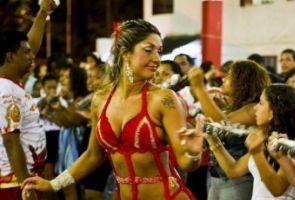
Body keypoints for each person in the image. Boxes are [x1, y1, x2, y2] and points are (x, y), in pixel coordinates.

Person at [22, 19, 203, 200]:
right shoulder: (100, 101)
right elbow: (93, 155)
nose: (156, 58)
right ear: (125, 53)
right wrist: (54, 184)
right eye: (149, 50)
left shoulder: (164, 99)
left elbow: (186, 162)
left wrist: (194, 154)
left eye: (159, 51)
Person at [201, 84, 295, 200]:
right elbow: (233, 170)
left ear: (273, 112)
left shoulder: (292, 145)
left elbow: (277, 189)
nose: (255, 108)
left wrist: (257, 153)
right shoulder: (265, 139)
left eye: (261, 103)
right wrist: (212, 140)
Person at [188, 60, 270, 200]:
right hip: (216, 178)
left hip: (239, 182)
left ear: (242, 81)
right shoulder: (235, 108)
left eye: (230, 75)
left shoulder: (253, 109)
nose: (224, 78)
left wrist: (199, 88)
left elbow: (222, 125)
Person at [0, 1, 57, 199]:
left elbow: (29, 44)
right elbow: (10, 141)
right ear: (10, 57)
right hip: (14, 184)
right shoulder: (5, 90)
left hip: (22, 179)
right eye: (26, 53)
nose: (32, 56)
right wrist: (27, 186)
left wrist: (42, 13)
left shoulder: (11, 82)